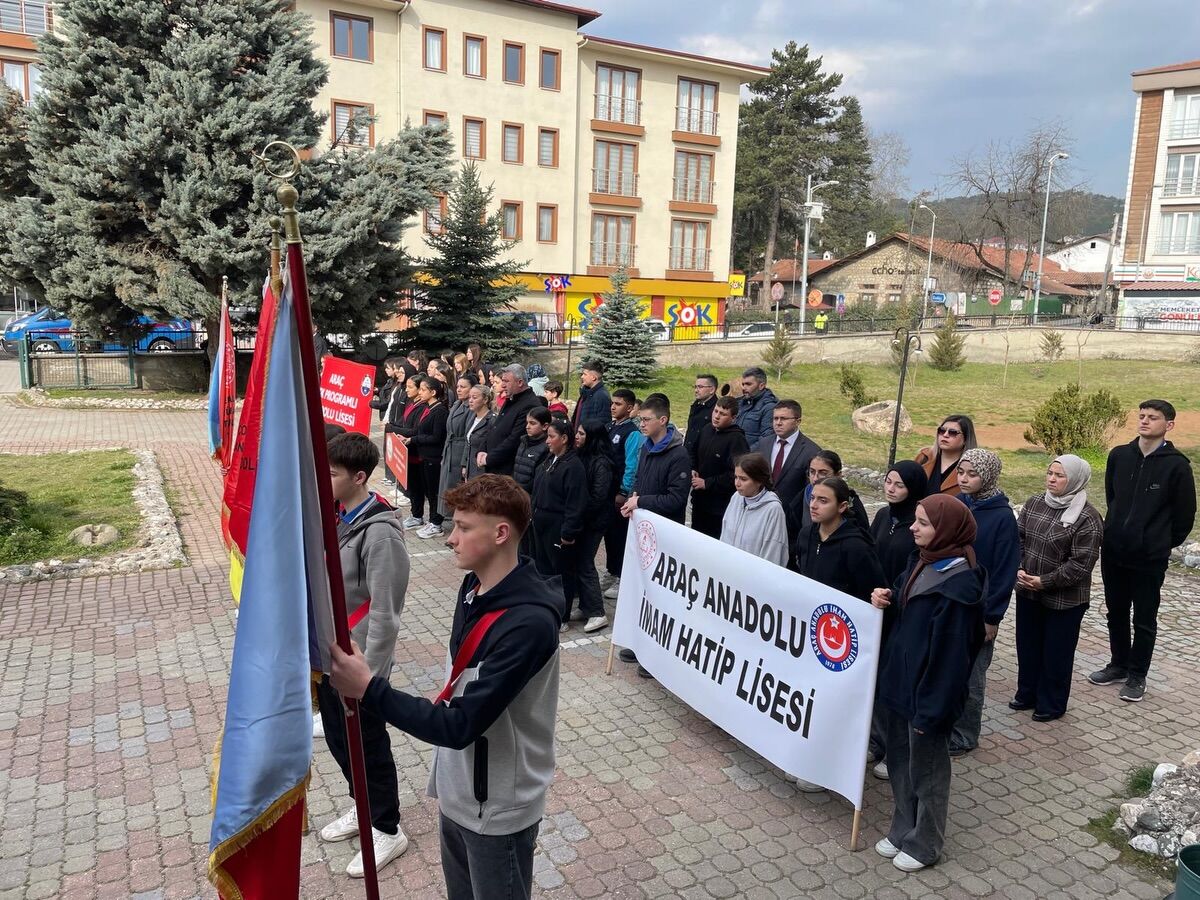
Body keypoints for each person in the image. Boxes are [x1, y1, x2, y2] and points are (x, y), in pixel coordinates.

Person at [329, 475, 561, 900]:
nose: (450, 538)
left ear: (500, 533)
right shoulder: (473, 587)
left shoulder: (528, 623)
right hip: (462, 789)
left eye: (463, 527)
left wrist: (369, 689)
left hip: (497, 806)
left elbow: (459, 725)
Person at [870, 494, 986, 873]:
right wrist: (886, 596)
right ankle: (903, 826)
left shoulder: (960, 587)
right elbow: (905, 593)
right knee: (901, 764)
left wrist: (932, 711)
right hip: (901, 685)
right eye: (915, 520)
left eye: (923, 523)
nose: (914, 528)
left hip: (928, 697)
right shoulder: (923, 561)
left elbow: (952, 660)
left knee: (928, 771)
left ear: (947, 530)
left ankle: (926, 842)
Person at [320, 433, 411, 877]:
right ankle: (363, 810)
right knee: (340, 742)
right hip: (333, 660)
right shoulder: (337, 516)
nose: (325, 478)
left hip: (360, 669)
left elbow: (385, 613)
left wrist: (369, 679)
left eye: (333, 473)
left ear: (358, 477)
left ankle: (387, 828)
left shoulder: (380, 533)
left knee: (369, 747)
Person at [1091, 399, 1196, 702]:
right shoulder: (1119, 456)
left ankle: (1137, 675)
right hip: (1114, 552)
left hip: (1149, 558)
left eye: (1153, 417)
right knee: (1116, 612)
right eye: (1141, 416)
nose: (1145, 421)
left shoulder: (1177, 466)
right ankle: (1118, 664)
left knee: (1144, 619)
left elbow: (1185, 515)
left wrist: (1159, 542)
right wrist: (1116, 533)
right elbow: (1114, 498)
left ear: (1169, 425)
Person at [1012, 455, 1103, 721]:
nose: (1052, 479)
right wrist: (1018, 567)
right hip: (1028, 591)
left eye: (1059, 475)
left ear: (1075, 480)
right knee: (1027, 646)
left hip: (1065, 600)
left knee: (1056, 653)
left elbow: (1081, 564)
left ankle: (1051, 703)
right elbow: (1018, 538)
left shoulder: (1088, 517)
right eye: (1050, 473)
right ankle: (1026, 693)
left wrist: (1046, 581)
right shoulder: (1035, 503)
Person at [948, 448, 1019, 757]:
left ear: (987, 476)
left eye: (971, 474)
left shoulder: (1002, 517)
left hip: (980, 610)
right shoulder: (959, 504)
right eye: (961, 472)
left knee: (973, 674)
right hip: (954, 601)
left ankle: (965, 734)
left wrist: (992, 617)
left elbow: (1005, 571)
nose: (963, 479)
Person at [618, 394, 691, 677]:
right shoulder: (647, 447)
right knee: (642, 590)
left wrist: (641, 502)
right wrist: (632, 499)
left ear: (663, 420)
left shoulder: (679, 455)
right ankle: (639, 643)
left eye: (646, 420)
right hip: (643, 531)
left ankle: (657, 656)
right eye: (640, 419)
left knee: (661, 597)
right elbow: (640, 479)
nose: (642, 424)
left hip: (665, 536)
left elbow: (675, 499)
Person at [795, 476, 885, 604]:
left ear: (842, 506)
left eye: (823, 501)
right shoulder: (805, 535)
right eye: (812, 498)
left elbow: (871, 592)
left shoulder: (856, 546)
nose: (813, 505)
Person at [754, 399, 822, 548]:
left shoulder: (811, 451)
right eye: (775, 418)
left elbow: (811, 490)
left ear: (797, 421)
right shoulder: (764, 444)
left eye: (783, 418)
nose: (778, 423)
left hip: (790, 525)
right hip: (760, 517)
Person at [529, 419, 586, 593]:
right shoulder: (549, 460)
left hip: (557, 526)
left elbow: (575, 502)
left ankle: (562, 615)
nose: (547, 441)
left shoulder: (573, 466)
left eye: (551, 437)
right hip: (540, 523)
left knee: (560, 572)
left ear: (564, 439)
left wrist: (568, 532)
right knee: (542, 569)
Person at [568, 422, 615, 633]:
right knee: (577, 562)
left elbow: (598, 496)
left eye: (581, 433)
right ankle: (585, 605)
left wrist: (580, 513)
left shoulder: (601, 463)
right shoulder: (581, 456)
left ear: (592, 437)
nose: (576, 436)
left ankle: (597, 612)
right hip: (582, 520)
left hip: (593, 522)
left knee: (586, 564)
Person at [602, 389, 644, 601]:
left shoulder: (632, 433)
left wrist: (623, 491)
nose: (613, 407)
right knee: (609, 534)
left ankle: (621, 575)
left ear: (629, 408)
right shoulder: (609, 428)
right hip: (605, 490)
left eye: (618, 404)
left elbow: (631, 465)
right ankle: (611, 570)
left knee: (620, 535)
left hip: (619, 493)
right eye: (612, 403)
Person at [687, 396, 749, 538]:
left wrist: (707, 483)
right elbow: (693, 452)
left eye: (723, 414)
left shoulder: (737, 440)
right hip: (699, 501)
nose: (716, 416)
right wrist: (693, 468)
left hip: (719, 508)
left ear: (733, 417)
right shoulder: (707, 429)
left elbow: (736, 474)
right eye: (715, 411)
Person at [719, 452, 788, 567]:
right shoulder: (736, 497)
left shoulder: (773, 509)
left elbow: (773, 551)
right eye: (736, 477)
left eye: (743, 479)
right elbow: (725, 533)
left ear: (759, 480)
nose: (737, 483)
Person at [871, 462, 931, 586]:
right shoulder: (883, 514)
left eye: (899, 485)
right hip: (873, 593)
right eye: (888, 482)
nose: (890, 489)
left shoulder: (921, 523)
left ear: (913, 488)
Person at [478, 364, 542, 477]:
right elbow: (495, 428)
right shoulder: (512, 398)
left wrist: (489, 458)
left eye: (506, 381)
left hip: (507, 470)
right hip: (494, 465)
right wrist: (482, 449)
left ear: (520, 382)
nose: (502, 385)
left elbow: (515, 439)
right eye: (502, 380)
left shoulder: (529, 404)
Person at [790, 450, 869, 535]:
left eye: (823, 473)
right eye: (812, 472)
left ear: (838, 475)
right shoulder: (801, 498)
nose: (815, 478)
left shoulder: (852, 503)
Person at [413, 377, 449, 539]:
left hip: (434, 458)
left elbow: (436, 437)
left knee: (434, 492)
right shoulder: (428, 408)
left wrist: (415, 439)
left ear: (433, 392)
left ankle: (436, 523)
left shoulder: (440, 411)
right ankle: (432, 520)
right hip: (424, 456)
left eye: (423, 389)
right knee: (429, 491)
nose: (419, 392)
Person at [438, 375, 476, 529]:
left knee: (458, 490)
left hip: (459, 451)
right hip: (450, 449)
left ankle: (459, 525)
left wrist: (464, 461)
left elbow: (468, 435)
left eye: (463, 387)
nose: (459, 390)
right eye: (458, 386)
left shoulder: (471, 408)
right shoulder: (456, 404)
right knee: (447, 488)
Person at [389, 375, 426, 529]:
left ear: (419, 390)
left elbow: (415, 430)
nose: (407, 390)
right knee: (411, 485)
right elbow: (403, 421)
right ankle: (415, 513)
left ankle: (418, 516)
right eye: (407, 386)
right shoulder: (412, 403)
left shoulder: (423, 407)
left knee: (416, 486)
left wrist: (394, 429)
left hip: (415, 453)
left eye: (411, 387)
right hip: (406, 452)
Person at [914, 415, 977, 495]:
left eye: (953, 432)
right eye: (942, 430)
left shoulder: (974, 466)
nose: (945, 435)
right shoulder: (924, 457)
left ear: (966, 439)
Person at [734, 366, 779, 447]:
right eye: (743, 384)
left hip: (748, 457)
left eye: (748, 384)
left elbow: (766, 439)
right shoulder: (740, 403)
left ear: (761, 386)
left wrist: (745, 456)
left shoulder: (770, 407)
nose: (744, 388)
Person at [513, 408, 551, 495]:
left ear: (545, 426)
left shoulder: (546, 448)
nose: (527, 426)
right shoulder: (523, 441)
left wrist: (520, 490)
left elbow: (538, 478)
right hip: (516, 491)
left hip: (529, 495)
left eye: (532, 423)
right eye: (527, 422)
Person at [463, 385, 494, 481]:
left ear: (485, 400)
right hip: (470, 468)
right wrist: (464, 465)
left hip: (482, 471)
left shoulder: (492, 420)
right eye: (469, 397)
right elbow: (467, 443)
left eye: (474, 397)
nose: (470, 400)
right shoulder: (472, 417)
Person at [684, 374, 719, 456]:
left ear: (712, 390)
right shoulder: (695, 406)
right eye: (695, 387)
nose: (696, 390)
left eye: (700, 387)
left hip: (703, 457)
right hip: (688, 455)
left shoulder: (717, 409)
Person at [572, 360, 611, 429]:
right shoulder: (585, 392)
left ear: (593, 377)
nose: (582, 377)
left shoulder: (602, 396)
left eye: (584, 374)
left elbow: (603, 424)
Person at [370, 356, 403, 423]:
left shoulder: (397, 384)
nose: (385, 370)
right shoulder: (390, 381)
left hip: (390, 418)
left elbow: (388, 402)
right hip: (385, 416)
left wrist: (370, 403)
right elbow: (385, 392)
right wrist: (377, 390)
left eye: (388, 368)